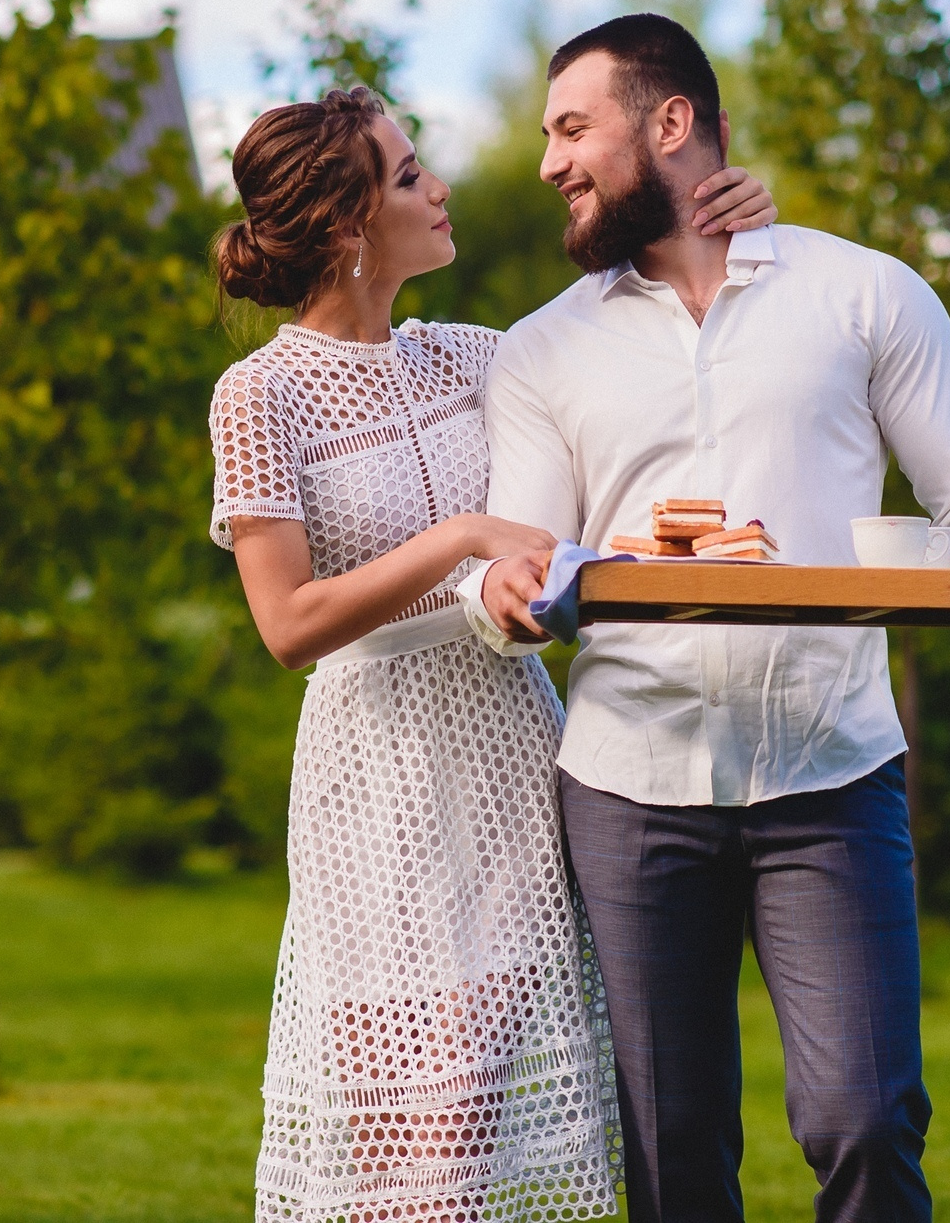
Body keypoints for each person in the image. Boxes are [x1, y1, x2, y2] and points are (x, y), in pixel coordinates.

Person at [464, 13, 950, 1223]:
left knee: (866, 1121)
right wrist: (505, 594)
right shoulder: (539, 352)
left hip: (830, 775)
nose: (548, 161)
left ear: (668, 123)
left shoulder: (865, 293)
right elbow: (522, 549)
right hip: (628, 790)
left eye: (572, 128)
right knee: (673, 1159)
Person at [208, 87, 778, 1222]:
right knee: (409, 1140)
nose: (442, 186)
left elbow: (632, 316)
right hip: (376, 774)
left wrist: (728, 229)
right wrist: (460, 538)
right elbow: (287, 624)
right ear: (347, 221)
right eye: (411, 173)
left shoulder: (476, 355)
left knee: (482, 1110)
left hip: (511, 753)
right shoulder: (257, 394)